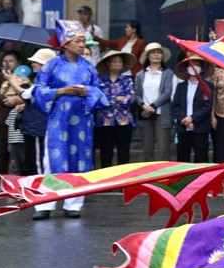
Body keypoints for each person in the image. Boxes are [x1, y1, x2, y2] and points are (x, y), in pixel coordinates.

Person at [30, 22, 109, 219]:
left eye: (83, 42)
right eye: (78, 41)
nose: (82, 45)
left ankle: (73, 204)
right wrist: (60, 91)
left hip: (82, 123)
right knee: (51, 162)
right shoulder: (51, 66)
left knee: (79, 161)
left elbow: (100, 93)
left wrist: (87, 92)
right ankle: (44, 204)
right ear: (65, 44)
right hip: (58, 122)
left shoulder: (89, 67)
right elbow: (37, 91)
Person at [94, 52, 136, 168]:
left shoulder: (127, 80)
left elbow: (130, 99)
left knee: (124, 151)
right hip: (105, 121)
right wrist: (118, 98)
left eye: (120, 62)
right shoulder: (100, 81)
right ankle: (107, 177)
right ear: (108, 63)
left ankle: (123, 177)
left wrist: (110, 99)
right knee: (105, 151)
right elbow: (100, 99)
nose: (118, 64)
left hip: (124, 121)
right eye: (114, 61)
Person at [135, 43, 174, 161]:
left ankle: (165, 172)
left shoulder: (168, 73)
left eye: (159, 52)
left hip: (161, 114)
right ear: (147, 56)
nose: (156, 55)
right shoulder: (140, 75)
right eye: (153, 53)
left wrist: (152, 106)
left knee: (163, 148)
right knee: (147, 148)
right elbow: (136, 93)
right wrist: (144, 106)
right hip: (145, 114)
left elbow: (167, 93)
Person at [18, 48, 54, 177]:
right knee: (30, 160)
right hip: (32, 126)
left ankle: (41, 186)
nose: (33, 64)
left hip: (38, 126)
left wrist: (10, 80)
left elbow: (25, 94)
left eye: (37, 62)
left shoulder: (47, 81)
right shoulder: (39, 79)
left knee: (38, 162)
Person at [172, 58, 212, 162]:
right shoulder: (181, 86)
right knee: (182, 158)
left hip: (200, 127)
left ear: (202, 68)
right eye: (191, 64)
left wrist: (192, 118)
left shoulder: (208, 86)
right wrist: (185, 119)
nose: (194, 67)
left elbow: (207, 106)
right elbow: (175, 106)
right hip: (183, 127)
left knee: (201, 158)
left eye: (197, 64)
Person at [0, 50, 23, 176]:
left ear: (18, 63)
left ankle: (20, 179)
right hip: (3, 116)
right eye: (5, 61)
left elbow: (26, 92)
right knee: (1, 150)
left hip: (19, 116)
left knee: (18, 151)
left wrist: (17, 100)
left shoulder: (24, 76)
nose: (7, 64)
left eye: (11, 61)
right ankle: (1, 179)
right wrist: (7, 100)